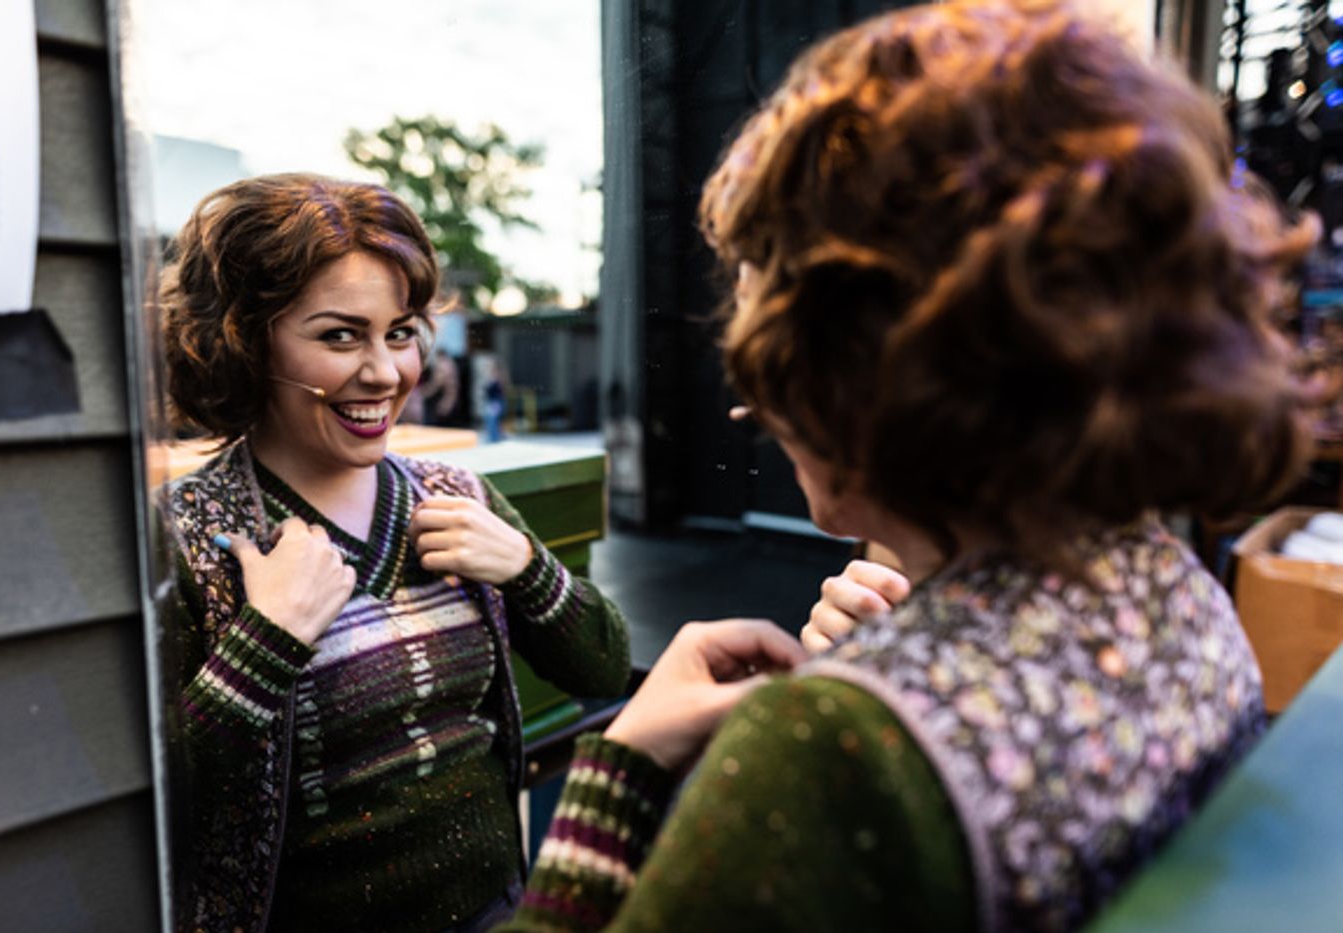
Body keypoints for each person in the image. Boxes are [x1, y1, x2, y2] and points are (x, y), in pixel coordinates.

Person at [500, 2, 1316, 930]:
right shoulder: (1179, 590)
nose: (748, 385)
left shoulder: (827, 750)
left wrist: (624, 766)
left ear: (871, 360)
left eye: (767, 319)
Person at [157, 173, 631, 933]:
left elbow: (606, 668)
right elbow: (157, 807)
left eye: (401, 331)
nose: (385, 371)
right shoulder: (189, 536)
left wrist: (528, 569)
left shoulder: (455, 494)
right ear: (244, 342)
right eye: (340, 335)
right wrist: (263, 646)